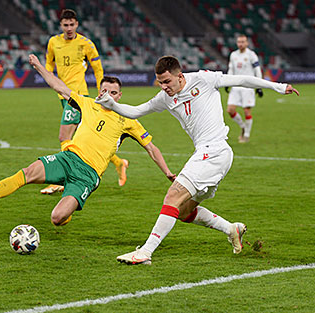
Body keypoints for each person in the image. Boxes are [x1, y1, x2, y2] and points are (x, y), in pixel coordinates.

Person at [96, 55, 299, 265]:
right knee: (183, 211)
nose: (164, 87)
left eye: (167, 81)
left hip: (214, 151)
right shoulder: (165, 97)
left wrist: (279, 86)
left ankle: (145, 252)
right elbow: (137, 111)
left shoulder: (204, 79)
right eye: (160, 82)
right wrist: (111, 104)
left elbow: (242, 80)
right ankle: (231, 229)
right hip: (211, 154)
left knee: (172, 196)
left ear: (180, 76)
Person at [0, 54, 175, 227]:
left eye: (113, 92)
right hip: (67, 158)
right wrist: (40, 67)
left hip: (87, 175)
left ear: (119, 96)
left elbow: (152, 149)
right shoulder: (88, 103)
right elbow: (58, 86)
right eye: (105, 90)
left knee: (57, 218)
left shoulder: (128, 119)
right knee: (27, 172)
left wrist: (166, 172)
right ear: (99, 91)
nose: (108, 94)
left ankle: (67, 200)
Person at [43, 9, 129, 194]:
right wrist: (48, 74)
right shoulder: (53, 42)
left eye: (71, 24)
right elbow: (49, 62)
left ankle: (61, 178)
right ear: (61, 25)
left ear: (77, 25)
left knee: (64, 137)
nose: (68, 28)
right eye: (65, 25)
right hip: (62, 95)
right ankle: (120, 163)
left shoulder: (85, 43)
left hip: (78, 95)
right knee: (82, 138)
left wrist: (102, 90)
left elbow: (98, 68)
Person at [226, 34, 263, 143]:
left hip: (248, 86)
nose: (241, 44)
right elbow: (231, 69)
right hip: (236, 86)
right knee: (230, 110)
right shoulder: (233, 55)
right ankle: (243, 127)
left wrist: (259, 85)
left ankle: (246, 135)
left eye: (243, 42)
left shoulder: (251, 55)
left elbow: (257, 69)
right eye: (239, 42)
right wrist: (227, 81)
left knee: (247, 111)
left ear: (247, 43)